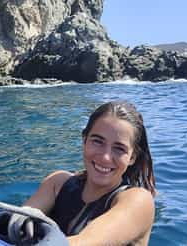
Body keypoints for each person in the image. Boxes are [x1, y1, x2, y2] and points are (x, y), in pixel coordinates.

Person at [11, 101, 156, 246]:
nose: (105, 157)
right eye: (97, 141)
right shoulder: (57, 183)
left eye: (119, 149)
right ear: (84, 140)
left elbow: (87, 242)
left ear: (132, 157)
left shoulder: (138, 201)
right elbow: (18, 220)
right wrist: (21, 221)